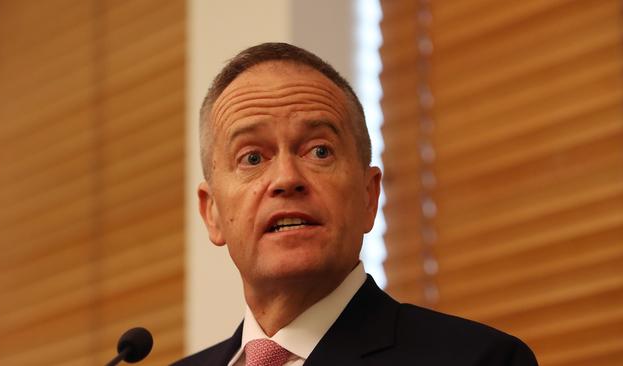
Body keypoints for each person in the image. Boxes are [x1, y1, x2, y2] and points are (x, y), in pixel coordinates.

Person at [172, 42, 538, 366]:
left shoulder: (480, 360)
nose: (286, 178)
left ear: (369, 195)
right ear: (212, 213)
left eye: (319, 151)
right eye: (252, 158)